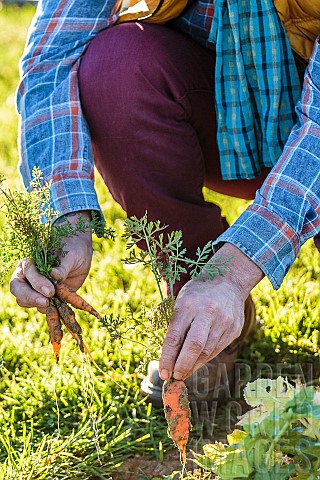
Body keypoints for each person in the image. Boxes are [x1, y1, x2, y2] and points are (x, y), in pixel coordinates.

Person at [10, 0, 320, 402]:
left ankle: (214, 297)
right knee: (118, 66)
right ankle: (204, 322)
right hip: (221, 108)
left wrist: (232, 273)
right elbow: (52, 54)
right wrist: (67, 222)